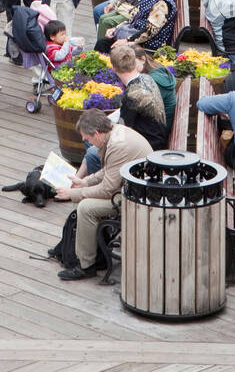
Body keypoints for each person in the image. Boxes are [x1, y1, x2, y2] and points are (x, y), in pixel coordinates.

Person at [53, 110, 151, 280]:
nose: (85, 140)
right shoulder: (115, 133)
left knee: (85, 208)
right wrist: (85, 182)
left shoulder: (118, 145)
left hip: (138, 199)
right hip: (135, 190)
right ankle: (85, 251)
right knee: (85, 200)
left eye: (87, 137)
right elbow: (110, 171)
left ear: (97, 134)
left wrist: (73, 193)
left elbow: (108, 190)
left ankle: (86, 265)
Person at [110, 44, 166, 148]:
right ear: (134, 62)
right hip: (157, 138)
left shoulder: (132, 95)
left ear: (114, 69)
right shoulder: (147, 78)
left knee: (92, 153)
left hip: (148, 146)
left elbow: (122, 133)